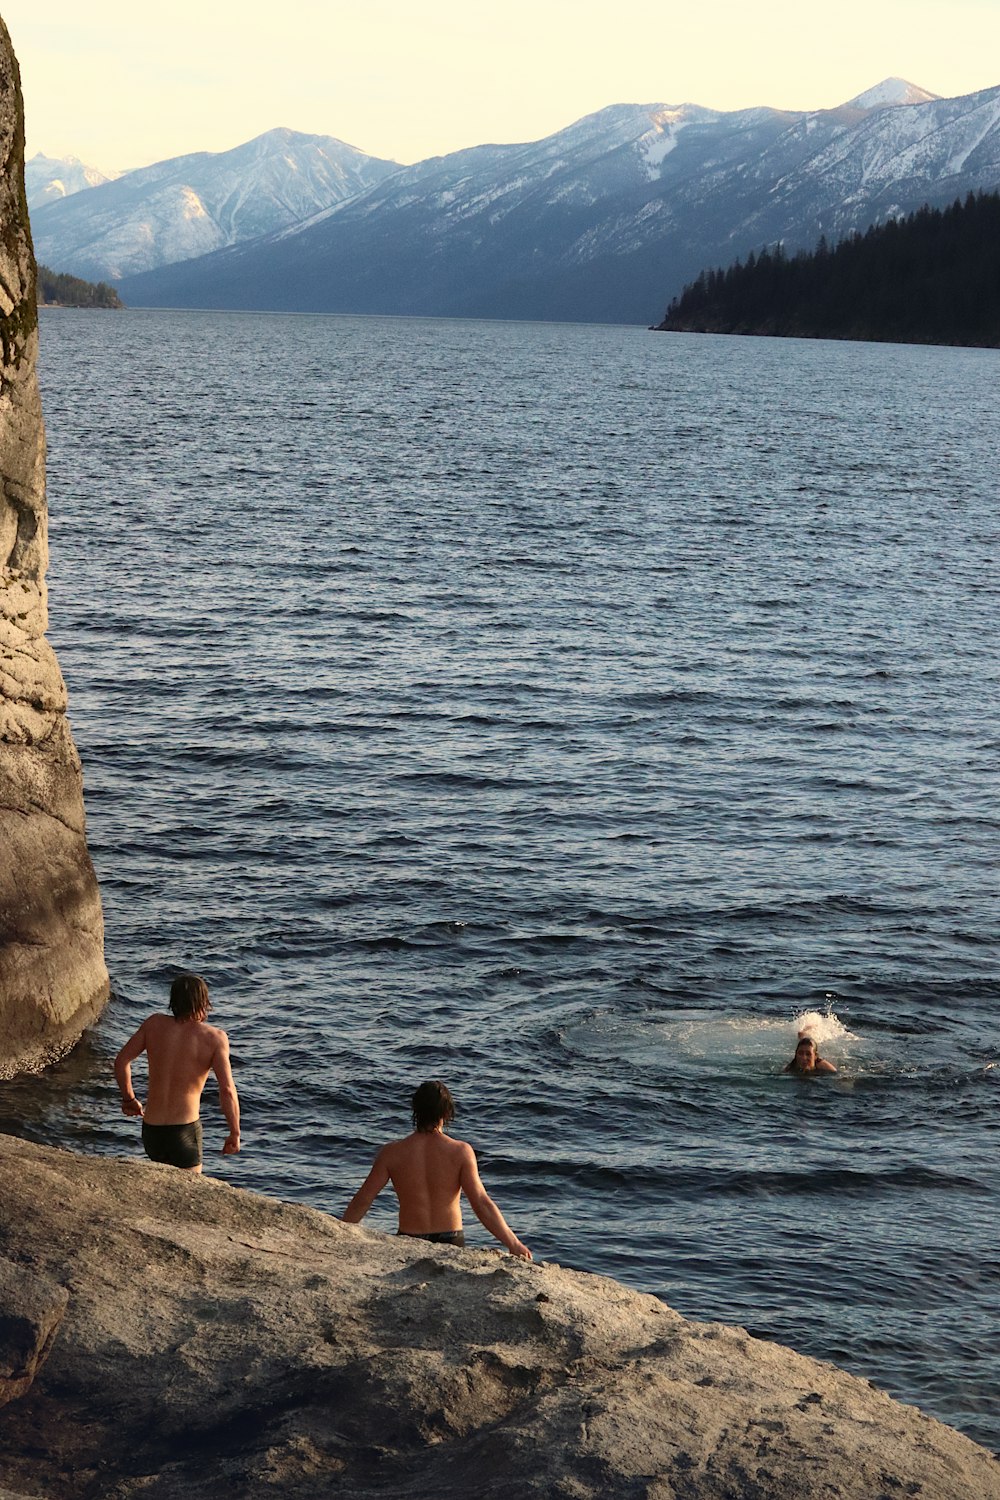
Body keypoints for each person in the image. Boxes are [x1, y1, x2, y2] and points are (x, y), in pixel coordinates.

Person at [342, 1080, 532, 1259]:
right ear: (446, 1113)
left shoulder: (392, 1153)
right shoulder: (460, 1151)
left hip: (408, 1240)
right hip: (451, 1241)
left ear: (415, 1110)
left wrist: (339, 1234)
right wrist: (513, 1243)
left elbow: (363, 1199)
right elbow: (481, 1203)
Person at [113, 973, 241, 1171]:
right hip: (184, 1129)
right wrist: (235, 1132)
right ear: (204, 1001)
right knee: (187, 1194)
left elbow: (121, 1062)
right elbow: (227, 1090)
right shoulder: (214, 1038)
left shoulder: (153, 1024)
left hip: (151, 1130)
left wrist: (129, 1099)